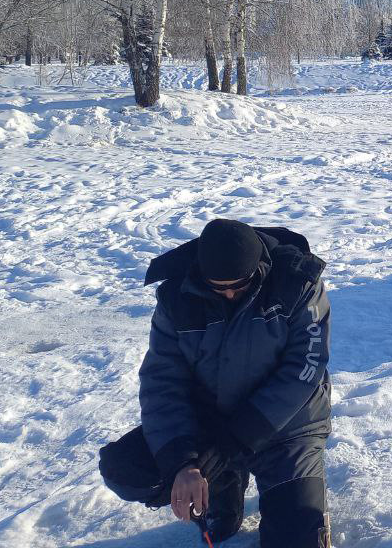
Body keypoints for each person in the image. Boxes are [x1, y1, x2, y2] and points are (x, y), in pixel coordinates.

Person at [98, 218, 332, 547]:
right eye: (218, 286)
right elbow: (162, 382)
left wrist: (234, 440)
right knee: (124, 468)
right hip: (212, 420)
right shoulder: (176, 298)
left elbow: (302, 371)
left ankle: (294, 502)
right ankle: (224, 483)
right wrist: (183, 461)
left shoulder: (297, 282)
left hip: (287, 430)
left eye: (240, 283)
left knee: (296, 538)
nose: (230, 293)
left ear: (259, 267)